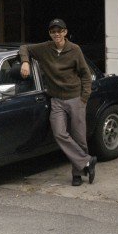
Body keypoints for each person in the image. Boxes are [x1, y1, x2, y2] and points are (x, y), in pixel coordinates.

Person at [19, 19, 96, 186]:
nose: (57, 34)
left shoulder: (75, 50)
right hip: (56, 100)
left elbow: (85, 74)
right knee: (59, 133)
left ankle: (77, 174)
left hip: (75, 98)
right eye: (53, 31)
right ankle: (88, 161)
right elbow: (24, 47)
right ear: (50, 34)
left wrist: (84, 98)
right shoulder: (45, 48)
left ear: (65, 32)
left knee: (79, 137)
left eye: (59, 31)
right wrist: (25, 62)